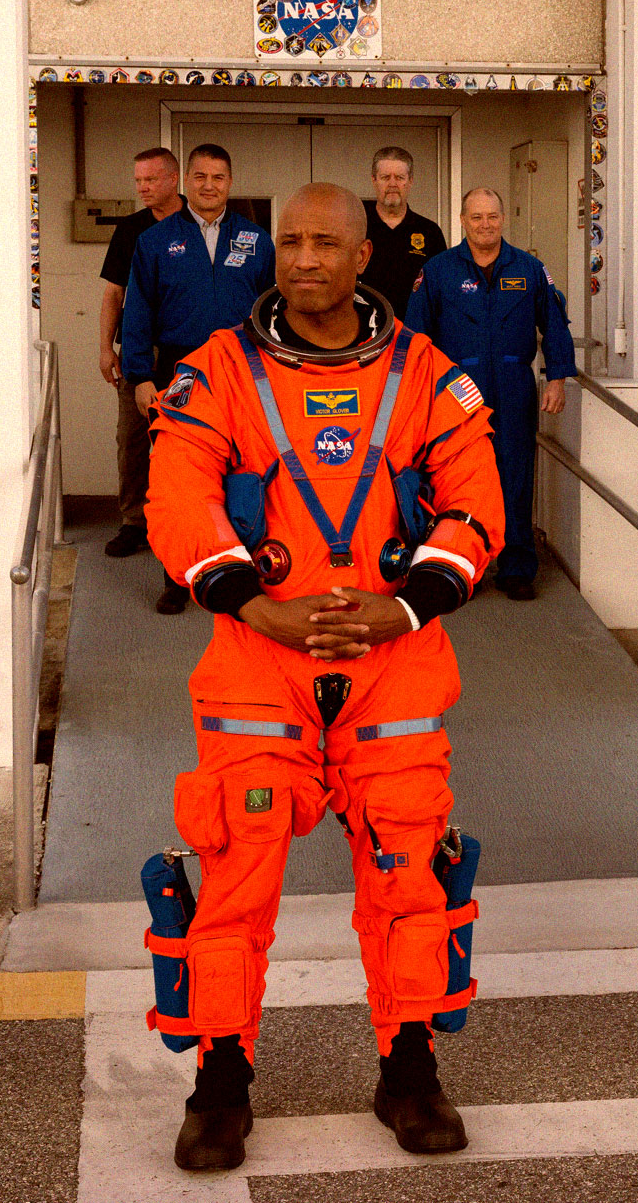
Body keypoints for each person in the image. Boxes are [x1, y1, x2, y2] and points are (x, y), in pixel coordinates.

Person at [141, 183, 503, 1171]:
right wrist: (246, 599)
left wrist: (409, 604)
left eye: (325, 243)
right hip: (260, 657)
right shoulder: (217, 371)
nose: (305, 257)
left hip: (394, 661)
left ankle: (410, 1067)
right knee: (236, 874)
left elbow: (476, 500)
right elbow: (176, 492)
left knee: (409, 875)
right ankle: (221, 1080)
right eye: (290, 241)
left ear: (362, 260)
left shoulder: (429, 374)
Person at [119, 143, 276, 613]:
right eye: (201, 176)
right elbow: (138, 309)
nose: (209, 185)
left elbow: (272, 308)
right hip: (178, 372)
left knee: (247, 473)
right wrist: (140, 375)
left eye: (219, 177)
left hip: (243, 372)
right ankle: (177, 577)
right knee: (178, 480)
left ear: (230, 183)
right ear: (187, 181)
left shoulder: (256, 239)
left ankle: (244, 573)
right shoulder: (154, 240)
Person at [404, 188, 572, 600]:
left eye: (492, 216)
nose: (485, 224)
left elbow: (554, 324)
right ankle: (466, 566)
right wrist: (417, 393)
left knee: (515, 477)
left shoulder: (530, 269)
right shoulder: (439, 270)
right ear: (462, 220)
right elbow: (415, 336)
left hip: (514, 387)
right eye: (477, 217)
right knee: (460, 479)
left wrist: (556, 378)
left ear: (502, 219)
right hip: (456, 392)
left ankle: (516, 567)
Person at [97, 147, 186, 560]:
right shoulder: (131, 230)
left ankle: (194, 522)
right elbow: (114, 293)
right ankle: (134, 522)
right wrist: (105, 348)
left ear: (173, 178)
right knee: (132, 440)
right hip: (137, 352)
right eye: (138, 181)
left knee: (192, 443)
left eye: (150, 180)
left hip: (189, 353)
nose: (143, 188)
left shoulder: (198, 224)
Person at [360, 146, 445, 310]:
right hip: (364, 330)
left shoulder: (430, 232)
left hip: (413, 331)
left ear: (410, 180)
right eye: (385, 177)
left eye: (399, 177)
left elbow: (440, 290)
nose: (392, 184)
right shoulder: (356, 225)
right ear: (373, 179)